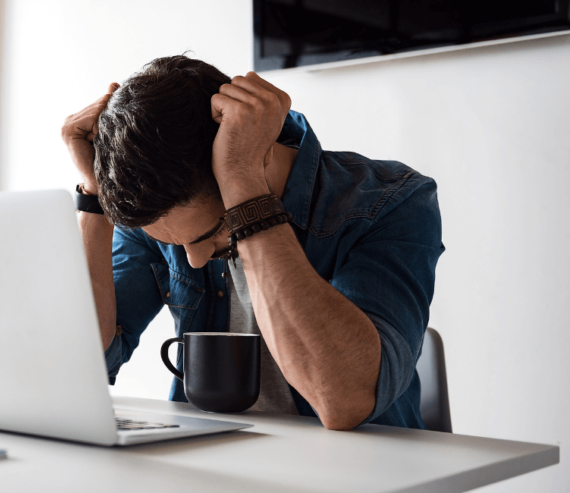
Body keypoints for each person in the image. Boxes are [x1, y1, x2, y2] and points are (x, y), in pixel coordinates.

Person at [61, 56, 443, 430]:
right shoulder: (160, 212)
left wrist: (243, 184)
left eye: (211, 233)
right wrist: (92, 196)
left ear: (257, 158)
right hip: (210, 466)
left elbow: (343, 401)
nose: (193, 260)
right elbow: (83, 368)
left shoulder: (388, 201)